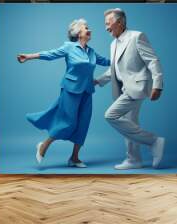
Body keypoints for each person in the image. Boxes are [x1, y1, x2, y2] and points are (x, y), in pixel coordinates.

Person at [17, 18, 110, 168]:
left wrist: (123, 58)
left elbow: (106, 61)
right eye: (86, 27)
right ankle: (43, 145)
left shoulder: (91, 52)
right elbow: (50, 54)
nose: (89, 29)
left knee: (83, 124)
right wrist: (29, 56)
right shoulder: (69, 47)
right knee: (68, 122)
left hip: (87, 91)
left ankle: (74, 158)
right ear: (78, 32)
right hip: (71, 90)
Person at [95, 8, 165, 169]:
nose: (106, 27)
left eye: (108, 23)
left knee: (110, 115)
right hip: (122, 88)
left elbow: (152, 61)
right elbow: (114, 69)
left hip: (137, 86)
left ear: (119, 22)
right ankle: (134, 160)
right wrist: (97, 81)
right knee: (129, 123)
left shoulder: (137, 36)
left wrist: (158, 84)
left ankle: (153, 141)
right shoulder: (113, 44)